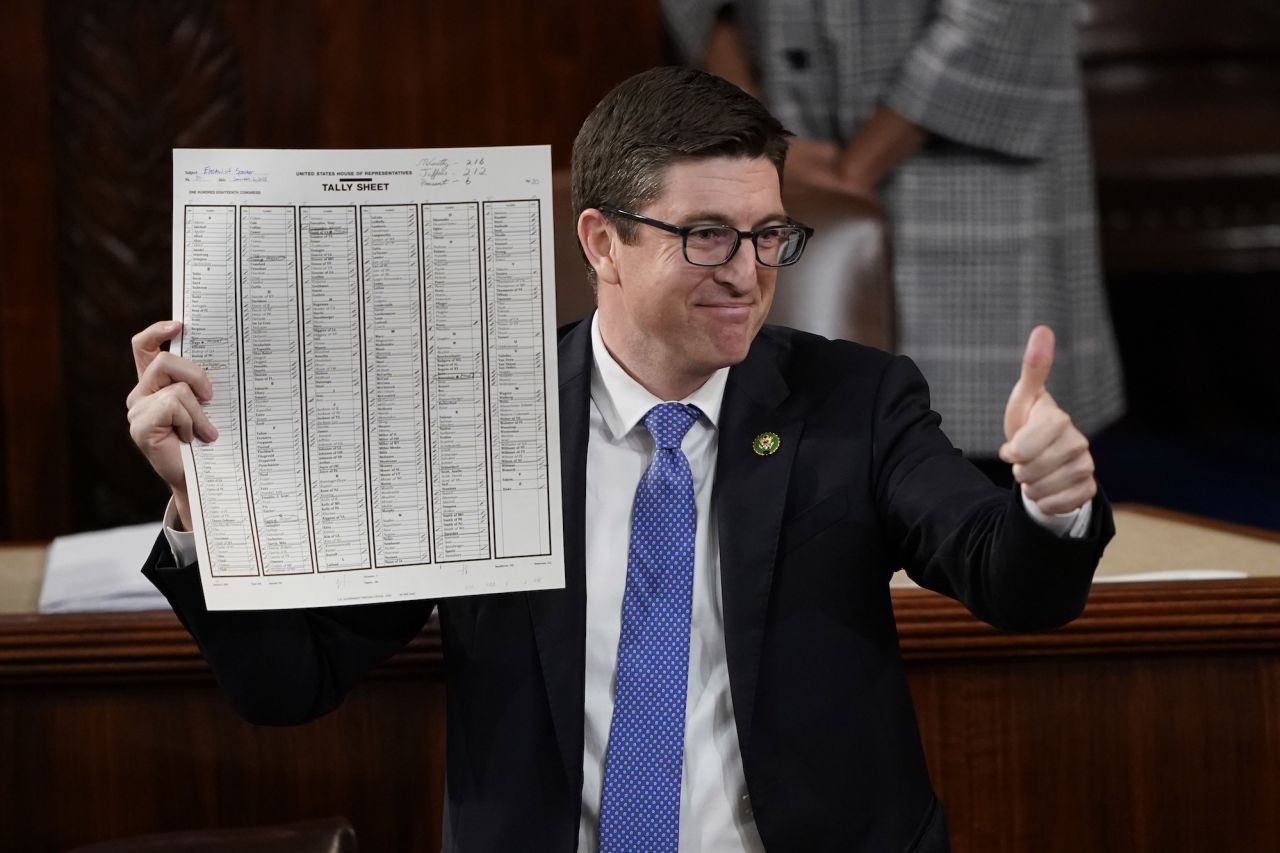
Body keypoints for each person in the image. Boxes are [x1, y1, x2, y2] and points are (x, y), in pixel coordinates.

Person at [127, 67, 1112, 852]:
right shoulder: (476, 417)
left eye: (769, 233)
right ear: (600, 241)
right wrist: (198, 501)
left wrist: (1047, 503)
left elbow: (1007, 577)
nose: (747, 271)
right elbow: (290, 684)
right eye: (706, 236)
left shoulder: (853, 402)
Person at [662, 1, 1127, 477]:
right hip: (777, 135)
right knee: (801, 466)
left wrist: (849, 172)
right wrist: (757, 139)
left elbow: (1007, 13)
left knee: (987, 468)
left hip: (966, 164)